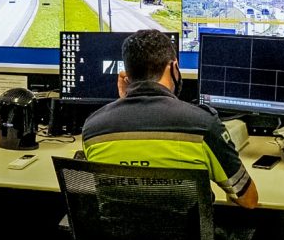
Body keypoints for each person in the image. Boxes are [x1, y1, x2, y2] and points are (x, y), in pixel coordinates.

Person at [82, 29, 258, 209]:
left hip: (116, 236)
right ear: (173, 67)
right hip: (188, 237)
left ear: (126, 75)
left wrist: (123, 103)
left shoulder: (93, 129)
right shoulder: (202, 125)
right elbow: (248, 199)